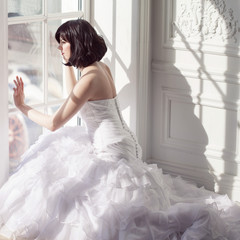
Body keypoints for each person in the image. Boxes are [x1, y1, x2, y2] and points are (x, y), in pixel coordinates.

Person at [0, 19, 240, 240]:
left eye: (63, 43)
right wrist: (66, 61)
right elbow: (71, 94)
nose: (60, 48)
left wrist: (22, 106)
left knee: (115, 215)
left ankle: (198, 217)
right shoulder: (99, 68)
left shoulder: (90, 78)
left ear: (78, 43)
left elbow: (54, 123)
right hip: (123, 142)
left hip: (112, 151)